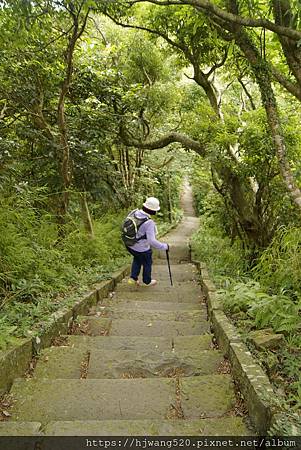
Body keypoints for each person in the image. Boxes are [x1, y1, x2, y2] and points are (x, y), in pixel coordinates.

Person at [126, 197, 169, 286]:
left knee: (137, 258)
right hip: (141, 248)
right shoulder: (149, 223)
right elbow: (152, 241)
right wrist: (164, 246)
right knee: (147, 262)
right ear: (153, 211)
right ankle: (147, 281)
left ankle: (133, 278)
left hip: (129, 245)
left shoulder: (134, 212)